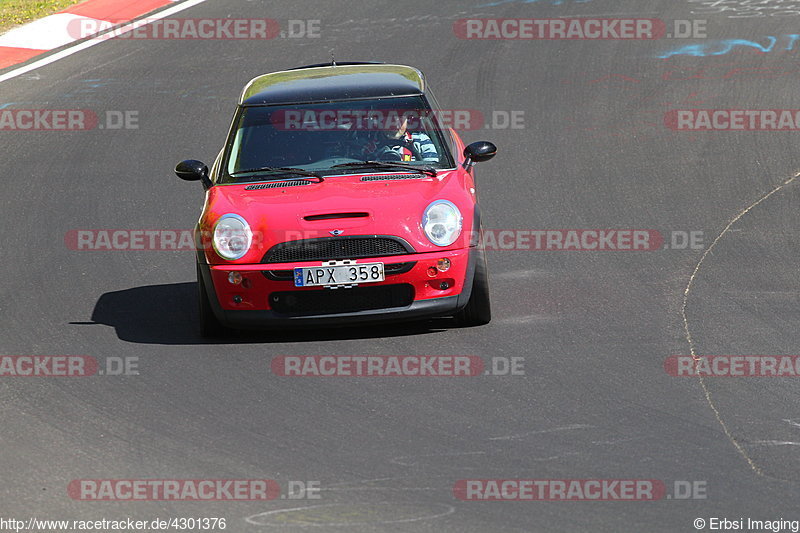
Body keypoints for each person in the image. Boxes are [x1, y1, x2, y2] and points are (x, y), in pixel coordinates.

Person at [367, 117, 439, 162]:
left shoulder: (421, 141)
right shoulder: (366, 143)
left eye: (401, 117)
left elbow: (433, 169)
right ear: (380, 120)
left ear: (407, 121)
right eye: (390, 117)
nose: (396, 123)